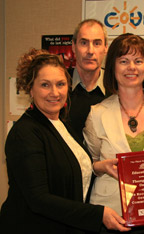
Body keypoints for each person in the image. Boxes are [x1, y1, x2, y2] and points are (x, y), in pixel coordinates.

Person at [0, 48, 130, 234]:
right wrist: (98, 214)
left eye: (60, 84)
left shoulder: (60, 123)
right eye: (45, 85)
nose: (55, 93)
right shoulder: (25, 133)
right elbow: (39, 199)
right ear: (30, 88)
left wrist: (98, 167)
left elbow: (64, 169)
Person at [83, 33, 144, 233]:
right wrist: (100, 166)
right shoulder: (97, 113)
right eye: (124, 61)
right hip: (111, 217)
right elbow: (88, 164)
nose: (132, 67)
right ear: (112, 67)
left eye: (138, 61)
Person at [69, 19, 108, 141]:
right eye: (84, 43)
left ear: (105, 48)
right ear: (74, 47)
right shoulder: (58, 86)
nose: (90, 51)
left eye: (97, 43)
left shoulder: (117, 87)